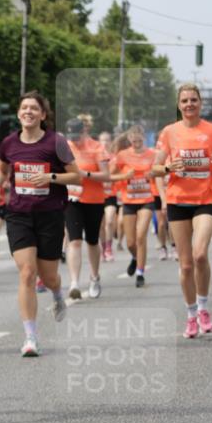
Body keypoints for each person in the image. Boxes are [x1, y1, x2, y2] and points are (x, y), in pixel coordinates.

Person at [0, 92, 81, 357]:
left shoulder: (56, 142)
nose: (28, 112)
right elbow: (2, 171)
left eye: (34, 108)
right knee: (27, 273)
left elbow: (76, 176)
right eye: (24, 108)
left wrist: (50, 177)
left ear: (43, 115)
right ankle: (31, 336)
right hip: (19, 215)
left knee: (49, 276)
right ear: (19, 113)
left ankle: (57, 293)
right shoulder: (9, 143)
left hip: (50, 215)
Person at [154, 83, 212, 338]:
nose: (189, 104)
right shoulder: (169, 132)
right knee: (186, 265)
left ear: (200, 103)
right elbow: (154, 169)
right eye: (185, 101)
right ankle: (190, 314)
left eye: (193, 100)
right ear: (179, 105)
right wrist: (168, 168)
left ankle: (203, 308)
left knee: (200, 255)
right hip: (178, 201)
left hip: (205, 199)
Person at [64, 118, 109, 300]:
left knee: (91, 241)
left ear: (84, 131)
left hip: (94, 199)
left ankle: (94, 277)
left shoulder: (97, 148)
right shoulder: (64, 147)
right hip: (72, 199)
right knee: (74, 241)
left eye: (77, 136)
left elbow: (106, 175)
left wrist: (85, 174)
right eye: (71, 136)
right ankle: (74, 282)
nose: (74, 140)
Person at [110, 125, 158, 287]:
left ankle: (140, 273)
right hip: (129, 200)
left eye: (139, 140)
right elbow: (111, 175)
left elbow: (161, 171)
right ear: (129, 140)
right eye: (133, 140)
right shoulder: (122, 155)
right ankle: (136, 258)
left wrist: (153, 173)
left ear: (143, 138)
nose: (136, 142)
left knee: (140, 236)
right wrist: (125, 175)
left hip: (146, 199)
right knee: (130, 242)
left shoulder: (152, 154)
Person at [97, 131, 117, 262]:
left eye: (107, 140)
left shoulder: (114, 157)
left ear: (111, 142)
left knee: (109, 221)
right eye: (102, 140)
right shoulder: (95, 156)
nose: (105, 143)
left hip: (111, 194)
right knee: (101, 225)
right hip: (98, 195)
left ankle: (109, 248)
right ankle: (103, 248)